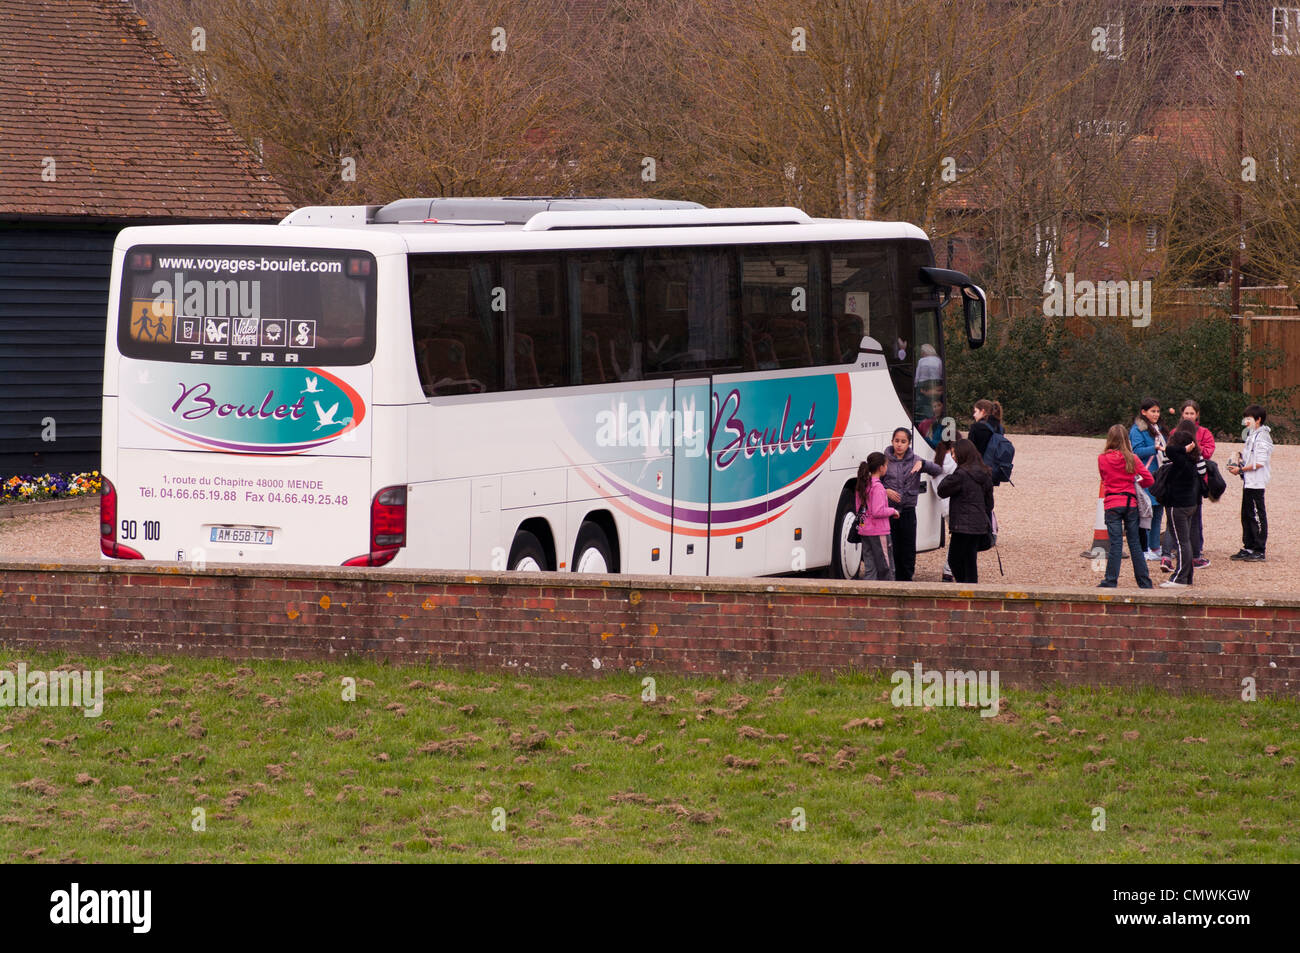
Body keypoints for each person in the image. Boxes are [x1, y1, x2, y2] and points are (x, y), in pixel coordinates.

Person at [881, 427, 943, 582]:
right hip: (889, 511)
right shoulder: (884, 460)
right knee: (891, 545)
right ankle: (892, 576)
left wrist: (923, 463)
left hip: (908, 510)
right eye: (897, 441)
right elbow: (874, 482)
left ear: (909, 443)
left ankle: (907, 577)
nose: (899, 445)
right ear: (892, 441)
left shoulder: (915, 459)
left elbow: (937, 469)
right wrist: (885, 491)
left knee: (908, 546)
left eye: (903, 441)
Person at [1097, 424, 1154, 589]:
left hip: (1112, 503)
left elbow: (1104, 477)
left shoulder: (1102, 458)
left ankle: (1110, 580)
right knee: (1134, 543)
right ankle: (1144, 582)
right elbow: (1149, 479)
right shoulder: (1132, 458)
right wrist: (1135, 482)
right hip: (1130, 503)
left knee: (1115, 543)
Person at [937, 438, 995, 584]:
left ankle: (965, 587)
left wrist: (953, 472)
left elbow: (942, 490)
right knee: (970, 560)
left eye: (954, 454)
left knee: (954, 560)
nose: (953, 457)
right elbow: (990, 503)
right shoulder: (985, 472)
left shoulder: (961, 474)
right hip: (978, 525)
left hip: (962, 526)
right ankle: (971, 591)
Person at [1160, 418, 1204, 588]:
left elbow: (1169, 450)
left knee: (1181, 542)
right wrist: (1189, 448)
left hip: (1177, 505)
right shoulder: (1193, 461)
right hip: (1190, 504)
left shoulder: (1180, 461)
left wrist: (1183, 449)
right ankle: (1187, 576)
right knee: (1186, 541)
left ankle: (1179, 578)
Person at [1227, 404, 1272, 562]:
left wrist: (1241, 470)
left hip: (1257, 483)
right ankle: (1249, 546)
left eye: (1249, 418)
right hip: (1248, 482)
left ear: (1258, 419)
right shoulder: (1252, 435)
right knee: (1246, 514)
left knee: (1257, 515)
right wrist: (1239, 459)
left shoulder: (1263, 437)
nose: (1246, 421)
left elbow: (1260, 462)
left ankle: (1259, 549)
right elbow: (1250, 457)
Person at [1178, 399, 1215, 569]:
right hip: (1179, 477)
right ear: (1182, 414)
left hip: (1197, 480)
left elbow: (1209, 450)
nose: (1189, 416)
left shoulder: (1205, 432)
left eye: (1192, 413)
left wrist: (1193, 448)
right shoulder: (1175, 432)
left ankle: (1196, 548)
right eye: (1186, 413)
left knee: (1196, 515)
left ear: (1197, 415)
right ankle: (1177, 548)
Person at [1129, 398, 1166, 560]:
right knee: (1146, 513)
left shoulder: (1160, 429)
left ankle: (1155, 546)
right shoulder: (1137, 429)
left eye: (1158, 411)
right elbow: (1135, 451)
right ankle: (1144, 548)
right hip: (1145, 476)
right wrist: (1154, 448)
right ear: (1143, 412)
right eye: (1153, 411)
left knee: (1158, 511)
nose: (1156, 414)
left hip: (1160, 475)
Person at [854, 453, 899, 580]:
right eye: (886, 465)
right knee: (887, 568)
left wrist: (862, 526)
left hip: (865, 531)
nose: (886, 468)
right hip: (879, 531)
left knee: (870, 569)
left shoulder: (862, 485)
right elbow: (877, 511)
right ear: (880, 468)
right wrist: (893, 511)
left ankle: (869, 598)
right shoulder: (878, 487)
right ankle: (888, 596)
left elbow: (859, 509)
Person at [935, 439, 958, 582]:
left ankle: (950, 569)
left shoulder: (935, 462)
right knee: (957, 539)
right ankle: (949, 570)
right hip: (954, 506)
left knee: (955, 538)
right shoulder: (953, 464)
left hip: (943, 507)